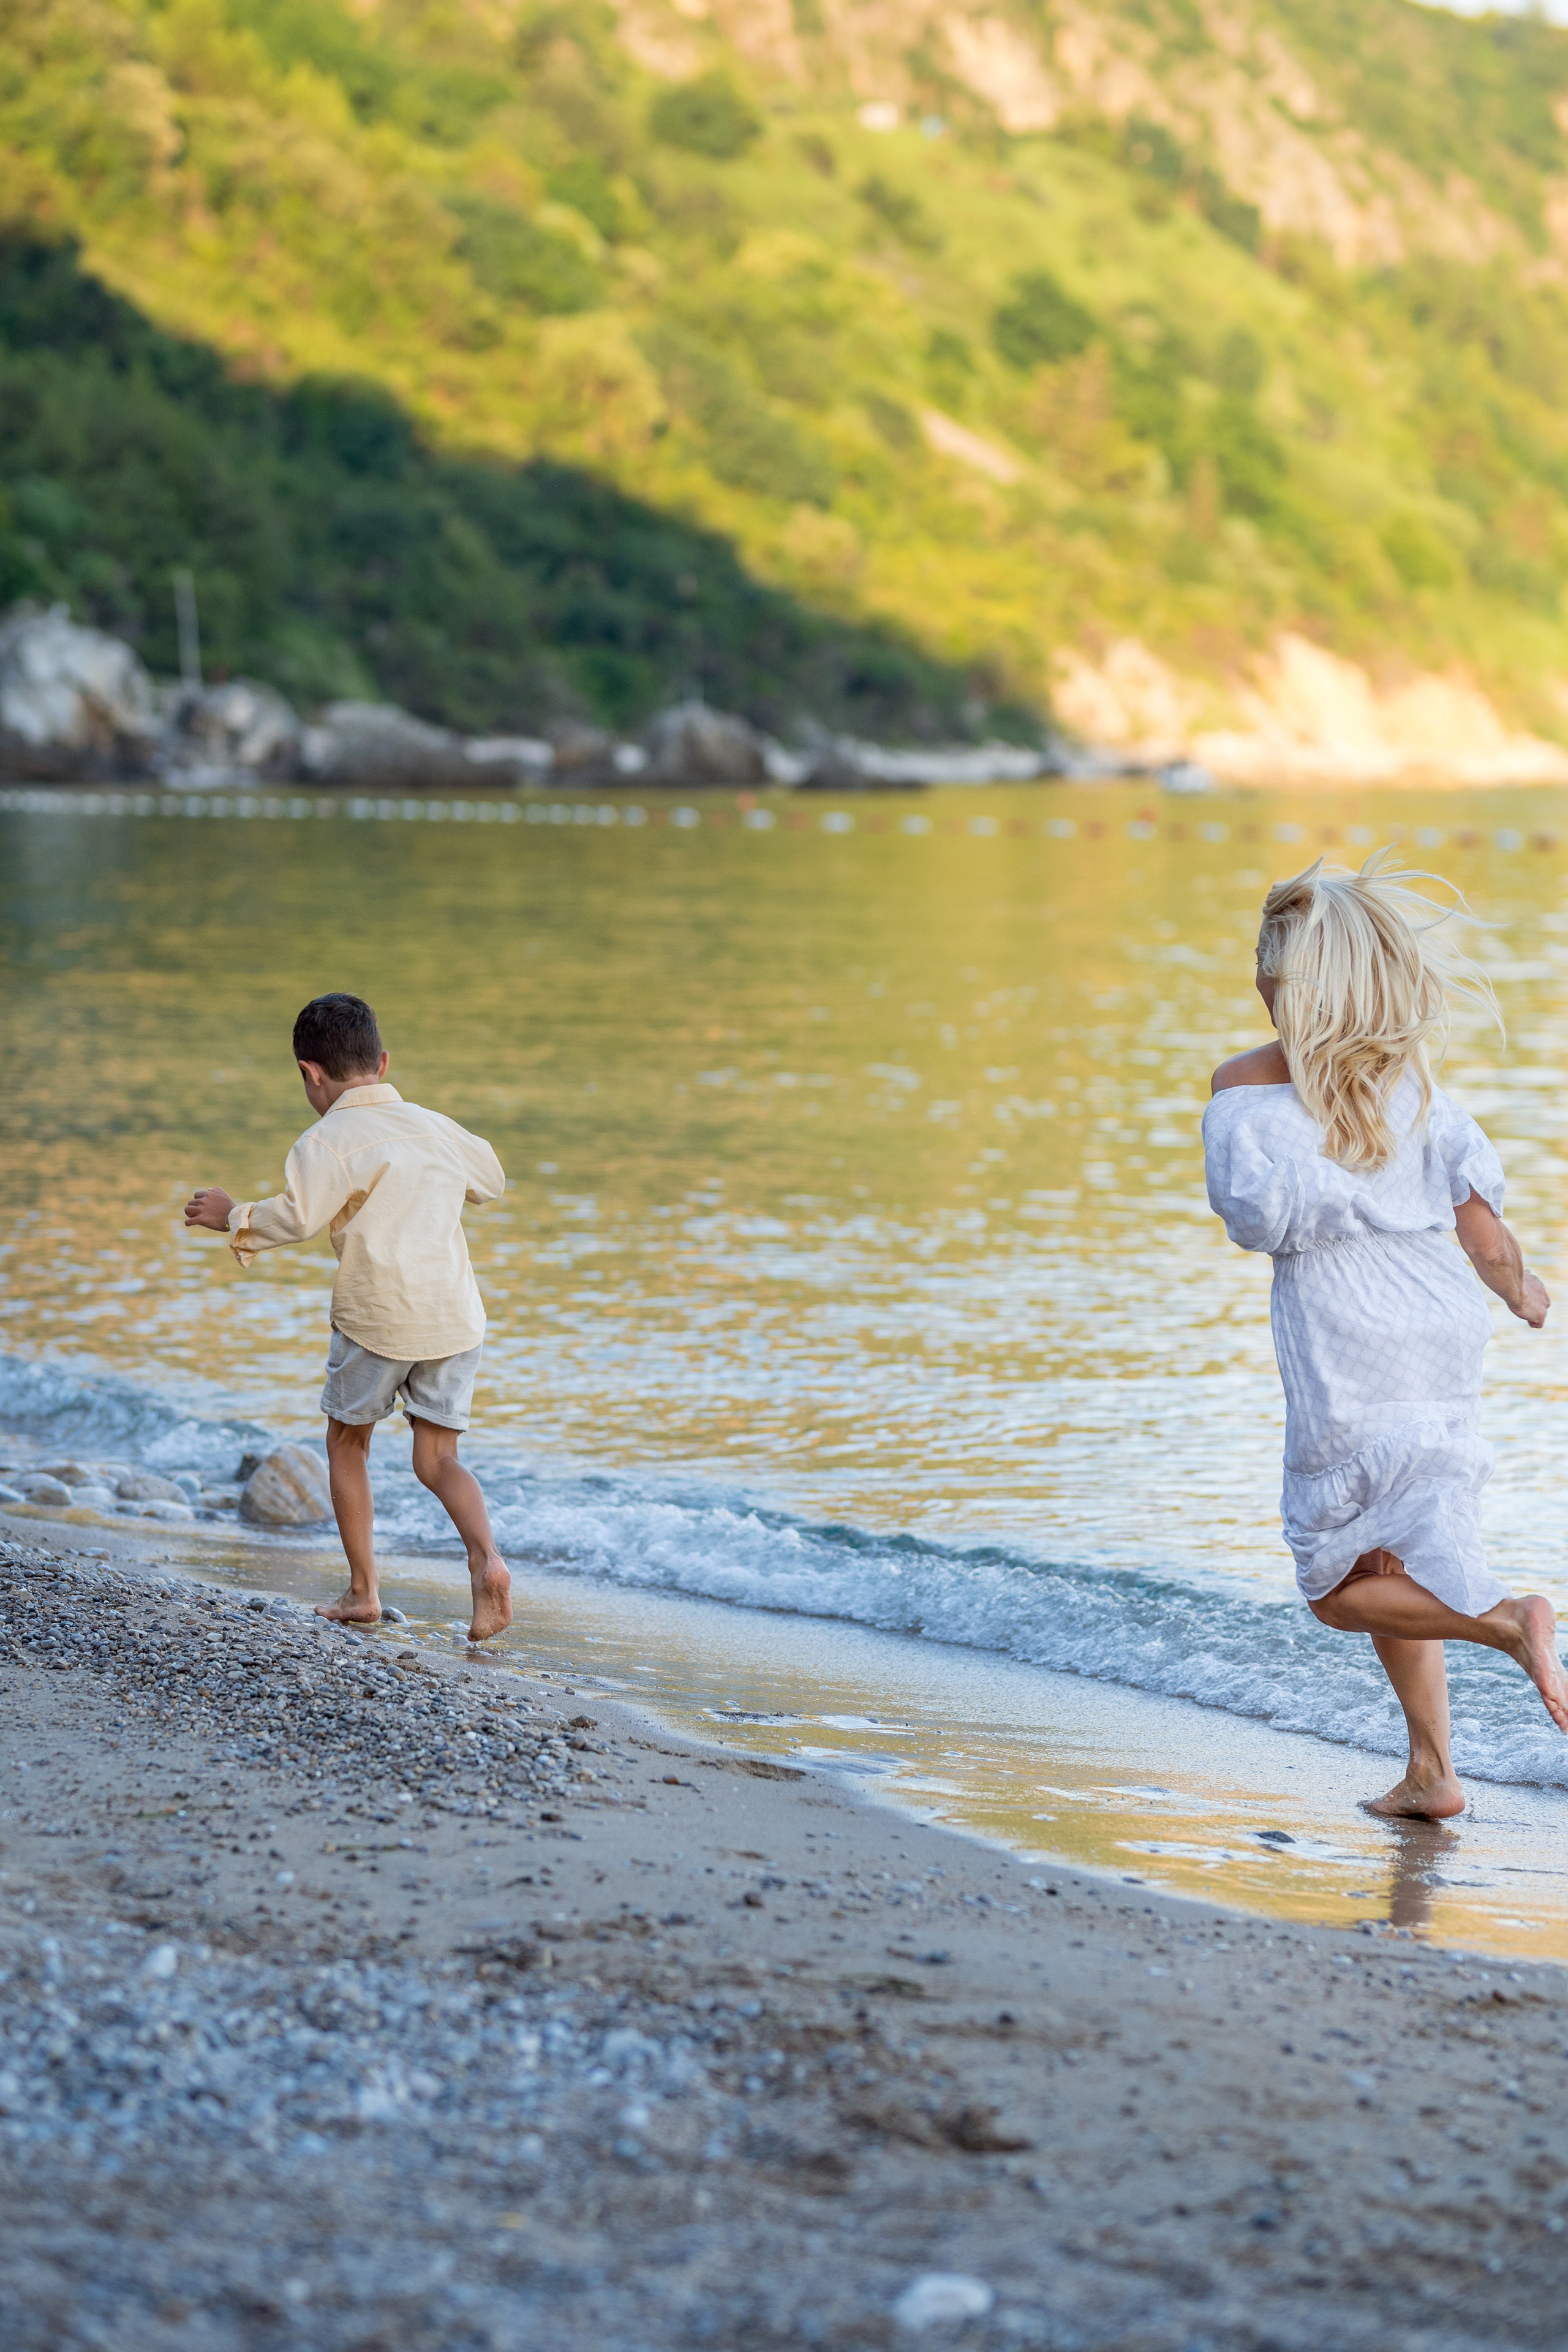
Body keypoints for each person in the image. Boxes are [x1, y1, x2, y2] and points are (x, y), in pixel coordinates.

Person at [1203, 854, 1564, 1819]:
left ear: (1289, 987)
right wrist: (1522, 1291)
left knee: (1332, 1582)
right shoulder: (1422, 1094)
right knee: (1388, 1556)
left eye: (1264, 967)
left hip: (1345, 1341)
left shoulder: (1249, 1083)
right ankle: (1432, 1773)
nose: (1256, 980)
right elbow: (1485, 1235)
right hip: (1440, 1326)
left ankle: (1507, 1624)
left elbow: (1256, 1219)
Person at [184, 992, 513, 1643]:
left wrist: (235, 1214)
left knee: (347, 1443)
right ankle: (487, 1561)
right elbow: (491, 1180)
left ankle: (364, 1592)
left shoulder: (325, 1140)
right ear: (383, 1062)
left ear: (310, 1072)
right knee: (438, 1458)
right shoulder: (435, 1126)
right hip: (453, 1317)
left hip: (378, 1318)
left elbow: (298, 1217)